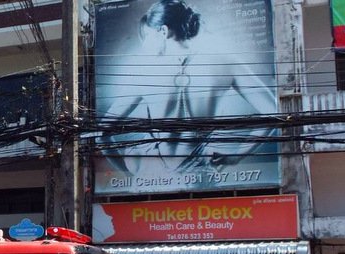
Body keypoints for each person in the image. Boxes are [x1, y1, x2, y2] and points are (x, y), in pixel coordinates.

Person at [100, 0, 278, 178]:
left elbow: (103, 132)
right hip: (201, 177)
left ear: (163, 31)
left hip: (152, 177)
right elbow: (274, 112)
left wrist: (128, 176)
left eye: (147, 35)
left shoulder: (144, 72)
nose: (145, 44)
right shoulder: (225, 62)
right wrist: (236, 156)